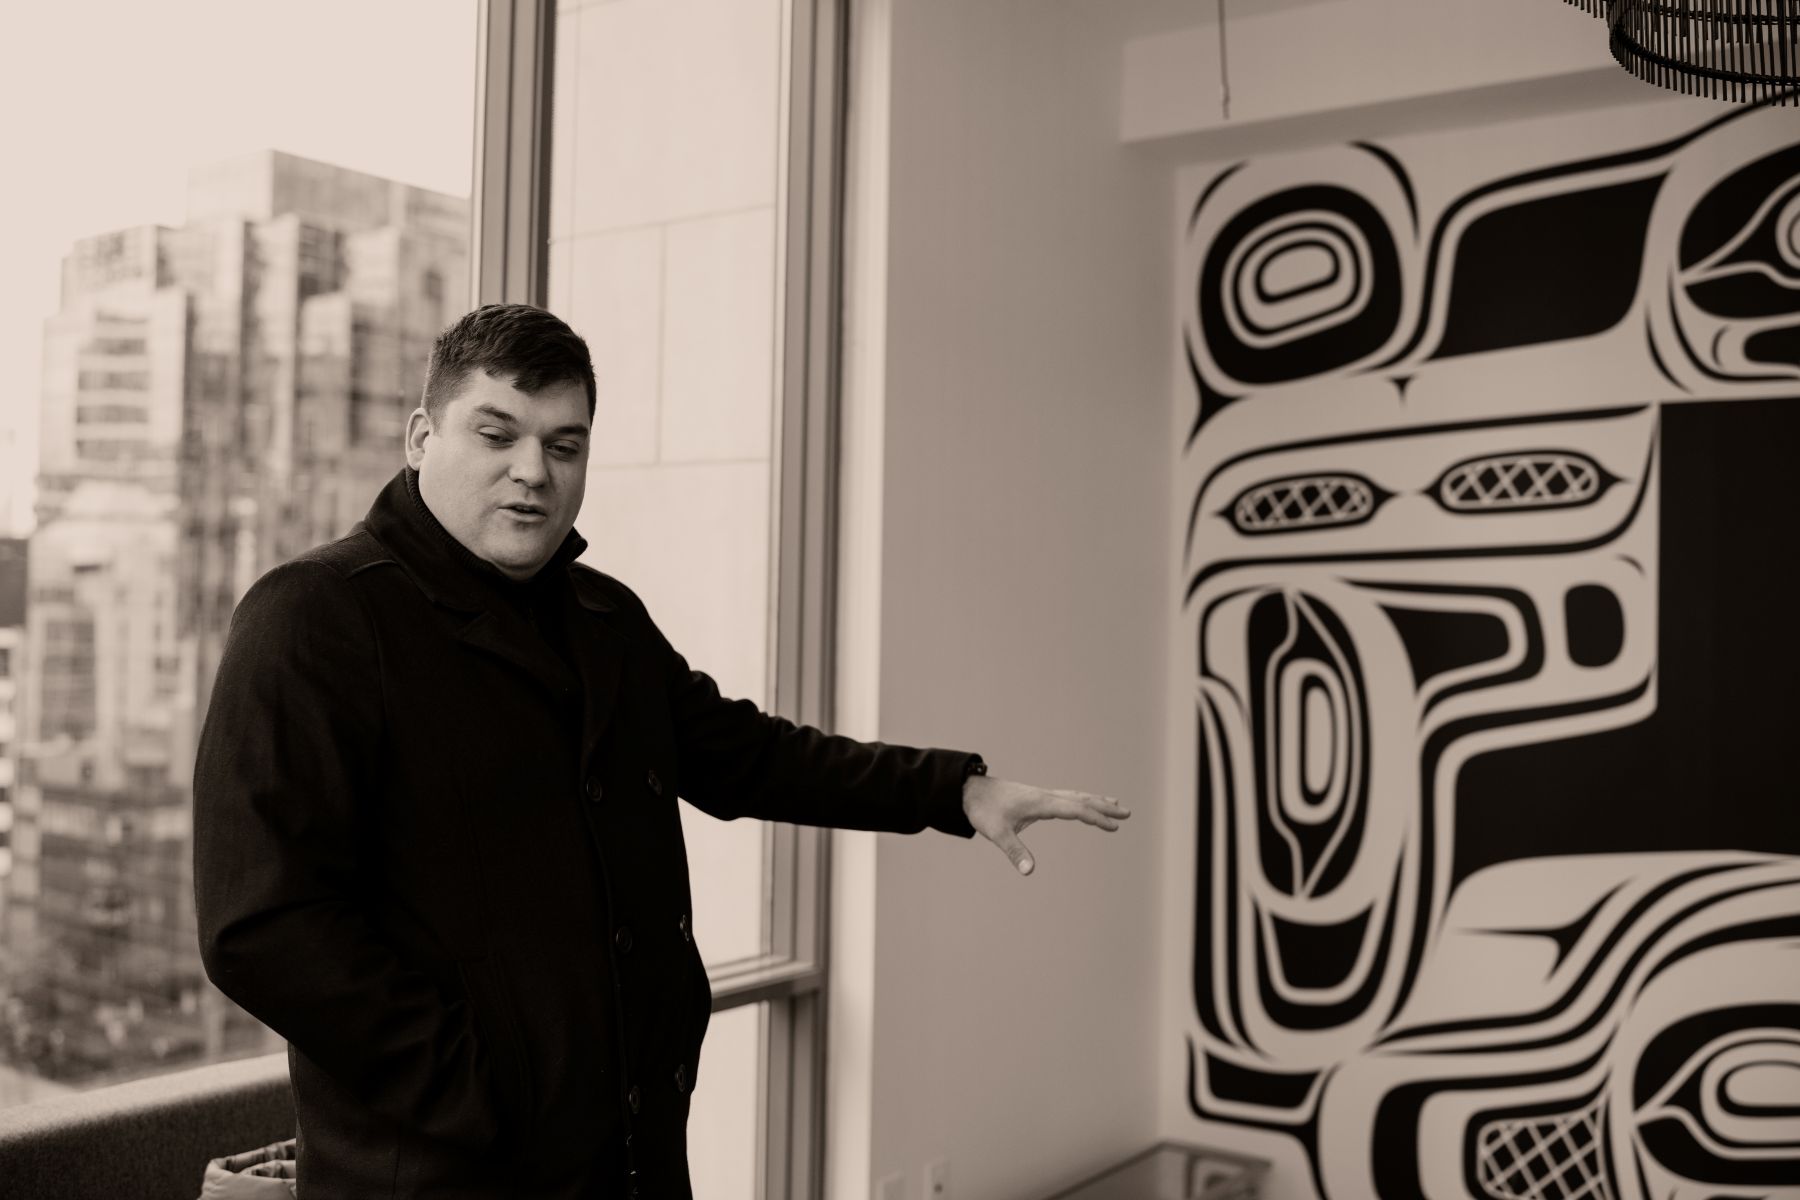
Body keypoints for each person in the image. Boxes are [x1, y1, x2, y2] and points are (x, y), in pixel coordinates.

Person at [191, 303, 1130, 1200]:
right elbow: (260, 926)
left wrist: (954, 791)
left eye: (565, 445)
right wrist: (479, 1089)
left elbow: (747, 755)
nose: (534, 471)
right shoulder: (314, 616)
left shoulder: (604, 618)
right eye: (497, 433)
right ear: (420, 437)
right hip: (441, 1171)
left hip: (630, 1155)